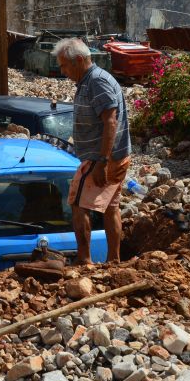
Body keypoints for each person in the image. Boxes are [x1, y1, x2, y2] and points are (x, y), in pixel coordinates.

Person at [53, 38, 131, 265]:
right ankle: (113, 261)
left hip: (103, 158)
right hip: (111, 156)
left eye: (64, 65)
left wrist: (102, 162)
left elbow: (110, 122)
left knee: (78, 205)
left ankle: (85, 261)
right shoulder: (89, 81)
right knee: (111, 207)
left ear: (78, 60)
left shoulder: (97, 81)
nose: (62, 71)